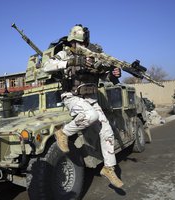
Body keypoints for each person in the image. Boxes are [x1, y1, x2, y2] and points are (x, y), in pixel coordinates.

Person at [43, 24, 124, 188]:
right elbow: (47, 67)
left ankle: (108, 168)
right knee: (90, 116)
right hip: (72, 96)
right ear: (72, 42)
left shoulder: (93, 56)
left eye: (85, 43)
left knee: (107, 131)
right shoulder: (65, 54)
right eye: (79, 43)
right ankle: (62, 132)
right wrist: (72, 61)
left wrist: (113, 74)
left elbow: (104, 75)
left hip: (91, 98)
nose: (83, 46)